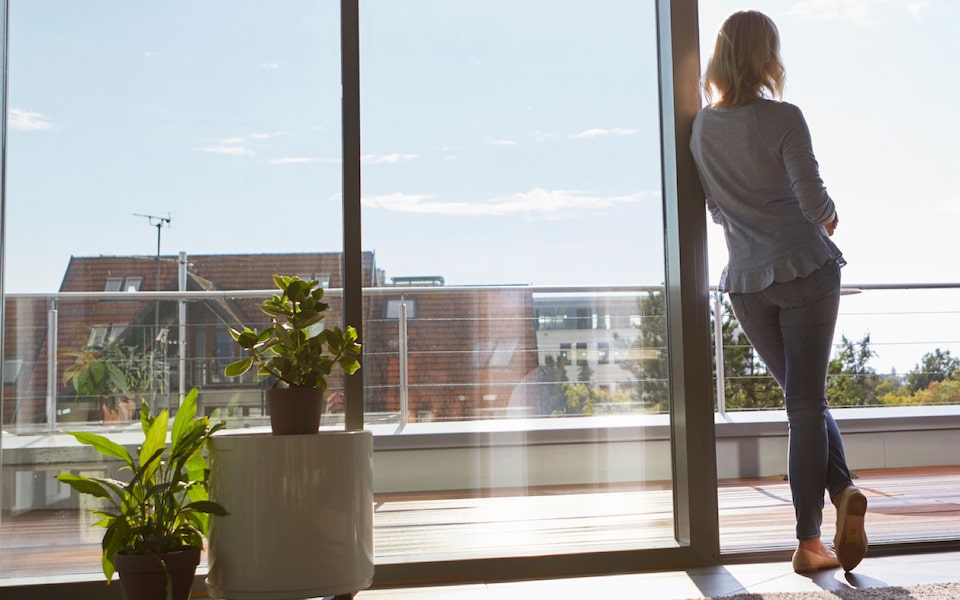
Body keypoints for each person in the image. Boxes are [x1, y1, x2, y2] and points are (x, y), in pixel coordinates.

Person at [689, 10, 868, 574]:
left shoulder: (700, 129)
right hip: (806, 269)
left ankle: (836, 505)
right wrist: (830, 216)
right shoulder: (784, 117)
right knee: (806, 402)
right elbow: (814, 201)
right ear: (766, 57)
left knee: (802, 401)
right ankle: (809, 537)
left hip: (745, 282)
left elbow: (715, 208)